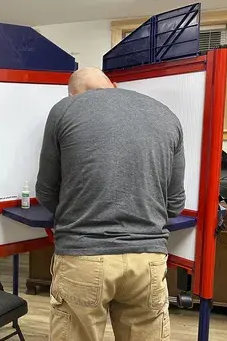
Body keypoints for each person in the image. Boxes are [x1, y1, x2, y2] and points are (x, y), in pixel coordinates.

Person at [36, 67, 185, 341]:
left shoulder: (65, 110)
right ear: (114, 85)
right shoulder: (166, 114)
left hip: (83, 255)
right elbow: (175, 203)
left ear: (73, 95)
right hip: (147, 259)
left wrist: (77, 214)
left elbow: (46, 191)